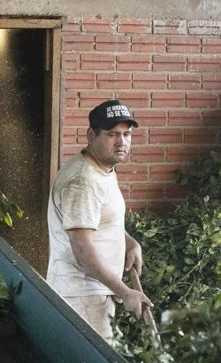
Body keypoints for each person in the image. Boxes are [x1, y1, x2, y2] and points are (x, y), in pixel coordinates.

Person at [45, 98, 152, 342]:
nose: (121, 142)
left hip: (94, 293)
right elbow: (82, 248)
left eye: (126, 134)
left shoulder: (102, 169)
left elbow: (101, 223)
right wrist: (125, 292)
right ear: (91, 135)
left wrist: (129, 243)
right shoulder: (84, 182)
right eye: (112, 134)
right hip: (81, 297)